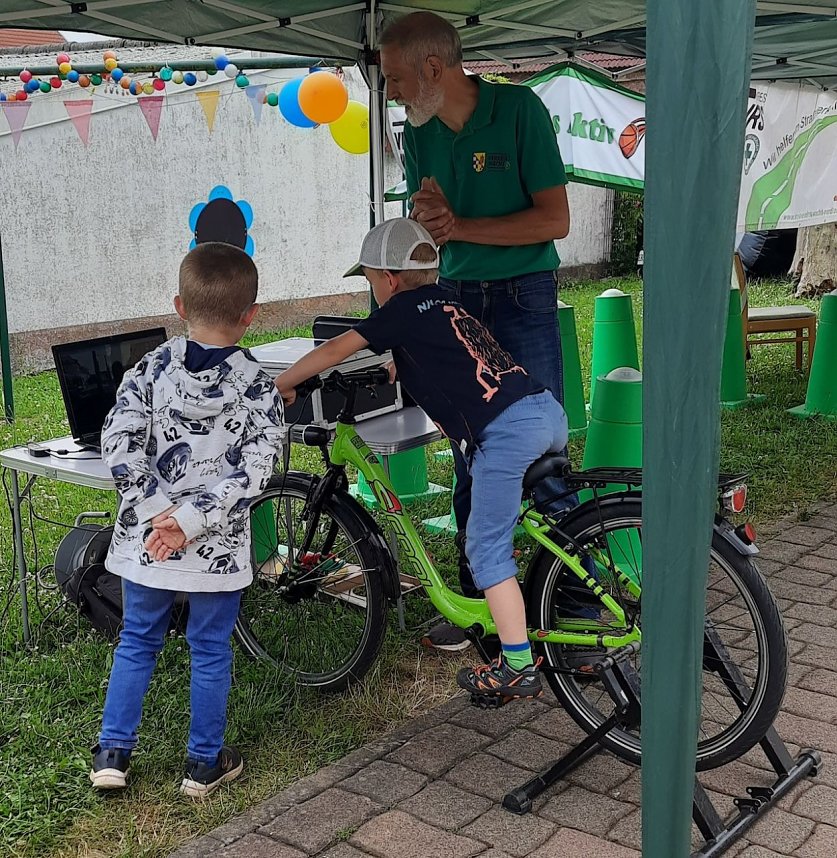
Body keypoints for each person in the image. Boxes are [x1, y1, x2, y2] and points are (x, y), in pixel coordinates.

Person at [274, 218, 568, 702]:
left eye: (371, 281)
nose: (374, 291)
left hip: (507, 433)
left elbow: (336, 348)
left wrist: (283, 383)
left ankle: (517, 665)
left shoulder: (399, 310)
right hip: (543, 411)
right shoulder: (447, 302)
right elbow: (453, 350)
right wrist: (400, 361)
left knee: (486, 548)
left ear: (389, 280)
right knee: (521, 522)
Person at [379, 12, 574, 651]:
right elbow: (432, 229)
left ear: (434, 68)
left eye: (396, 78)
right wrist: (428, 223)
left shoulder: (519, 111)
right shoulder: (420, 132)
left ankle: (574, 608)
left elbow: (555, 220)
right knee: (469, 453)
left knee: (541, 459)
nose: (391, 92)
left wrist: (459, 226)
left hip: (524, 295)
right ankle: (479, 611)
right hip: (458, 297)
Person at [90, 242, 284, 798]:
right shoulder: (258, 385)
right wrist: (191, 520)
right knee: (210, 648)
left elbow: (118, 442)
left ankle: (112, 753)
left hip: (146, 541)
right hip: (215, 549)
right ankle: (202, 764)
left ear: (179, 305)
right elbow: (257, 468)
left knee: (137, 640)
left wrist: (159, 514)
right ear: (251, 314)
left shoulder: (148, 369)